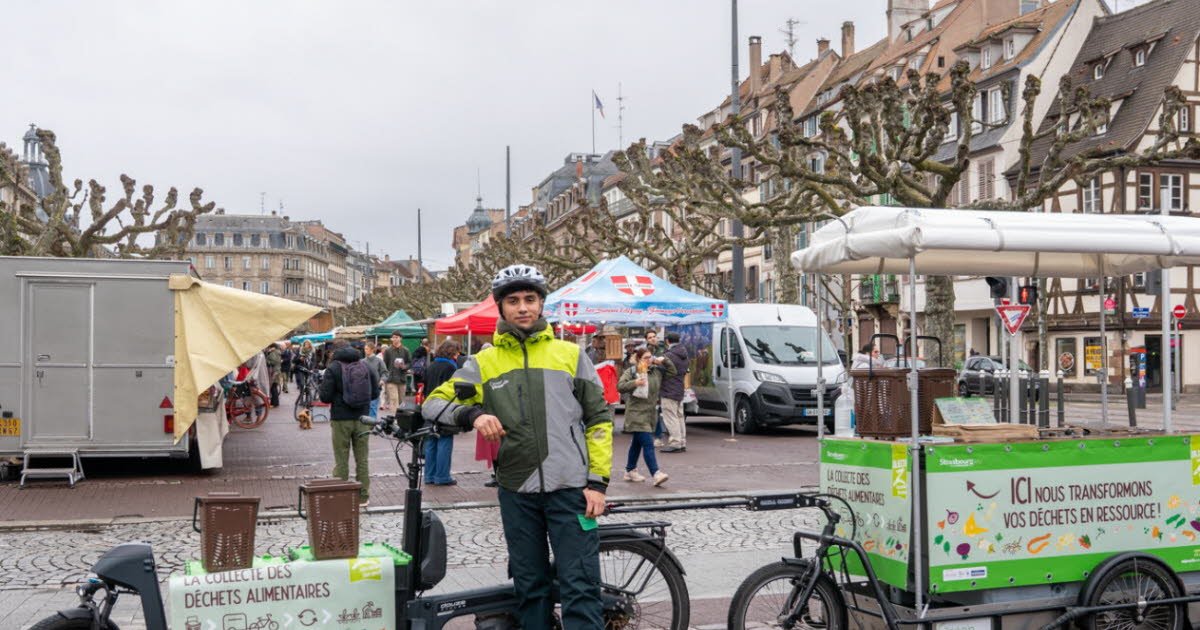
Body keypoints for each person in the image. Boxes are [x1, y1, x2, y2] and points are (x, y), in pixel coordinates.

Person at [423, 263, 612, 629]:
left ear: (541, 304)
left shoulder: (570, 355)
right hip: (517, 492)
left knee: (580, 586)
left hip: (571, 490)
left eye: (530, 299)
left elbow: (599, 420)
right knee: (530, 589)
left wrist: (598, 483)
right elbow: (433, 403)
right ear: (501, 307)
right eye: (513, 301)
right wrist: (473, 415)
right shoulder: (484, 362)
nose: (523, 307)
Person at [319, 340, 380, 507]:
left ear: (335, 351)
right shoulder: (366, 366)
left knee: (341, 459)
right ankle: (363, 497)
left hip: (341, 419)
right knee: (362, 459)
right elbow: (375, 393)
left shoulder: (333, 368)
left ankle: (341, 496)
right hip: (362, 419)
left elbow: (325, 397)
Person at [618, 347, 674, 486]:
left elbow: (673, 372)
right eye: (646, 358)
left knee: (637, 443)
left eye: (650, 357)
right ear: (638, 359)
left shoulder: (656, 371)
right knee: (648, 443)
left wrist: (664, 360)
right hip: (636, 413)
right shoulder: (632, 371)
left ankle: (630, 470)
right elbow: (620, 386)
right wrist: (635, 383)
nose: (649, 360)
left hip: (650, 413)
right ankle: (656, 473)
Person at [423, 340, 462, 486]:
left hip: (429, 406)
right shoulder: (451, 368)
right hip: (445, 407)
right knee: (445, 440)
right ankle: (442, 476)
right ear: (452, 352)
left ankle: (429, 475)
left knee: (431, 441)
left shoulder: (431, 366)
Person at [658, 332, 690, 453]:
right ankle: (682, 442)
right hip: (679, 388)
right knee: (679, 416)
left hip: (668, 389)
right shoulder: (684, 354)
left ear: (667, 341)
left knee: (670, 417)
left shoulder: (668, 356)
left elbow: (662, 371)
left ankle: (675, 443)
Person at [382, 333, 411, 411]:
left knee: (401, 401)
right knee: (394, 399)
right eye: (393, 337)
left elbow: (409, 363)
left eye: (396, 337)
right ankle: (394, 417)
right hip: (391, 379)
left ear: (400, 338)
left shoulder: (405, 350)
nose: (394, 339)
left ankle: (399, 416)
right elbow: (384, 365)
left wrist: (404, 367)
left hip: (402, 378)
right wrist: (385, 376)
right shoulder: (388, 350)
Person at [363, 341, 386, 419]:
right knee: (365, 408)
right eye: (365, 349)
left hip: (375, 388)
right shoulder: (362, 361)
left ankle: (372, 424)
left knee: (373, 407)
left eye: (367, 349)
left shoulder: (379, 361)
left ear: (372, 349)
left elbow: (385, 373)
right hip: (364, 388)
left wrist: (382, 380)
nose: (365, 350)